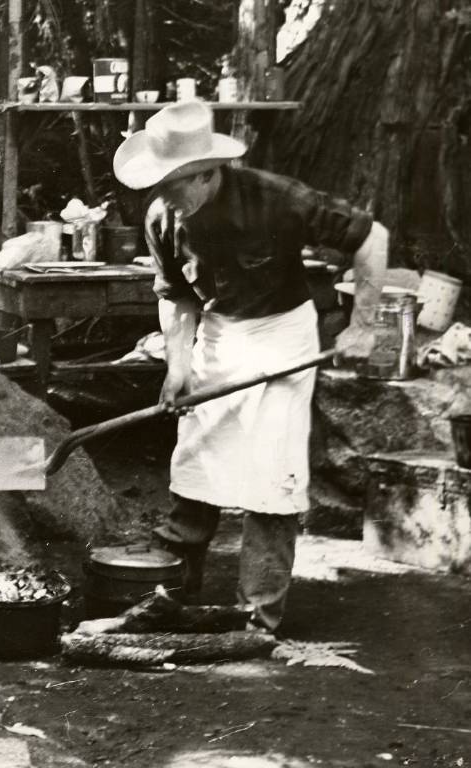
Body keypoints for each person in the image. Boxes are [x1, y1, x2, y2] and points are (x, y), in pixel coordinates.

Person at [112, 99, 388, 632]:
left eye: (174, 185)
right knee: (195, 461)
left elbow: (372, 238)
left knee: (271, 475)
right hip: (219, 335)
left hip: (283, 334)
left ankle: (258, 615)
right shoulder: (162, 216)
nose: (165, 196)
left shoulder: (276, 198)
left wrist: (363, 325)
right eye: (158, 185)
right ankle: (167, 597)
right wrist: (177, 365)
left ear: (207, 173)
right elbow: (177, 296)